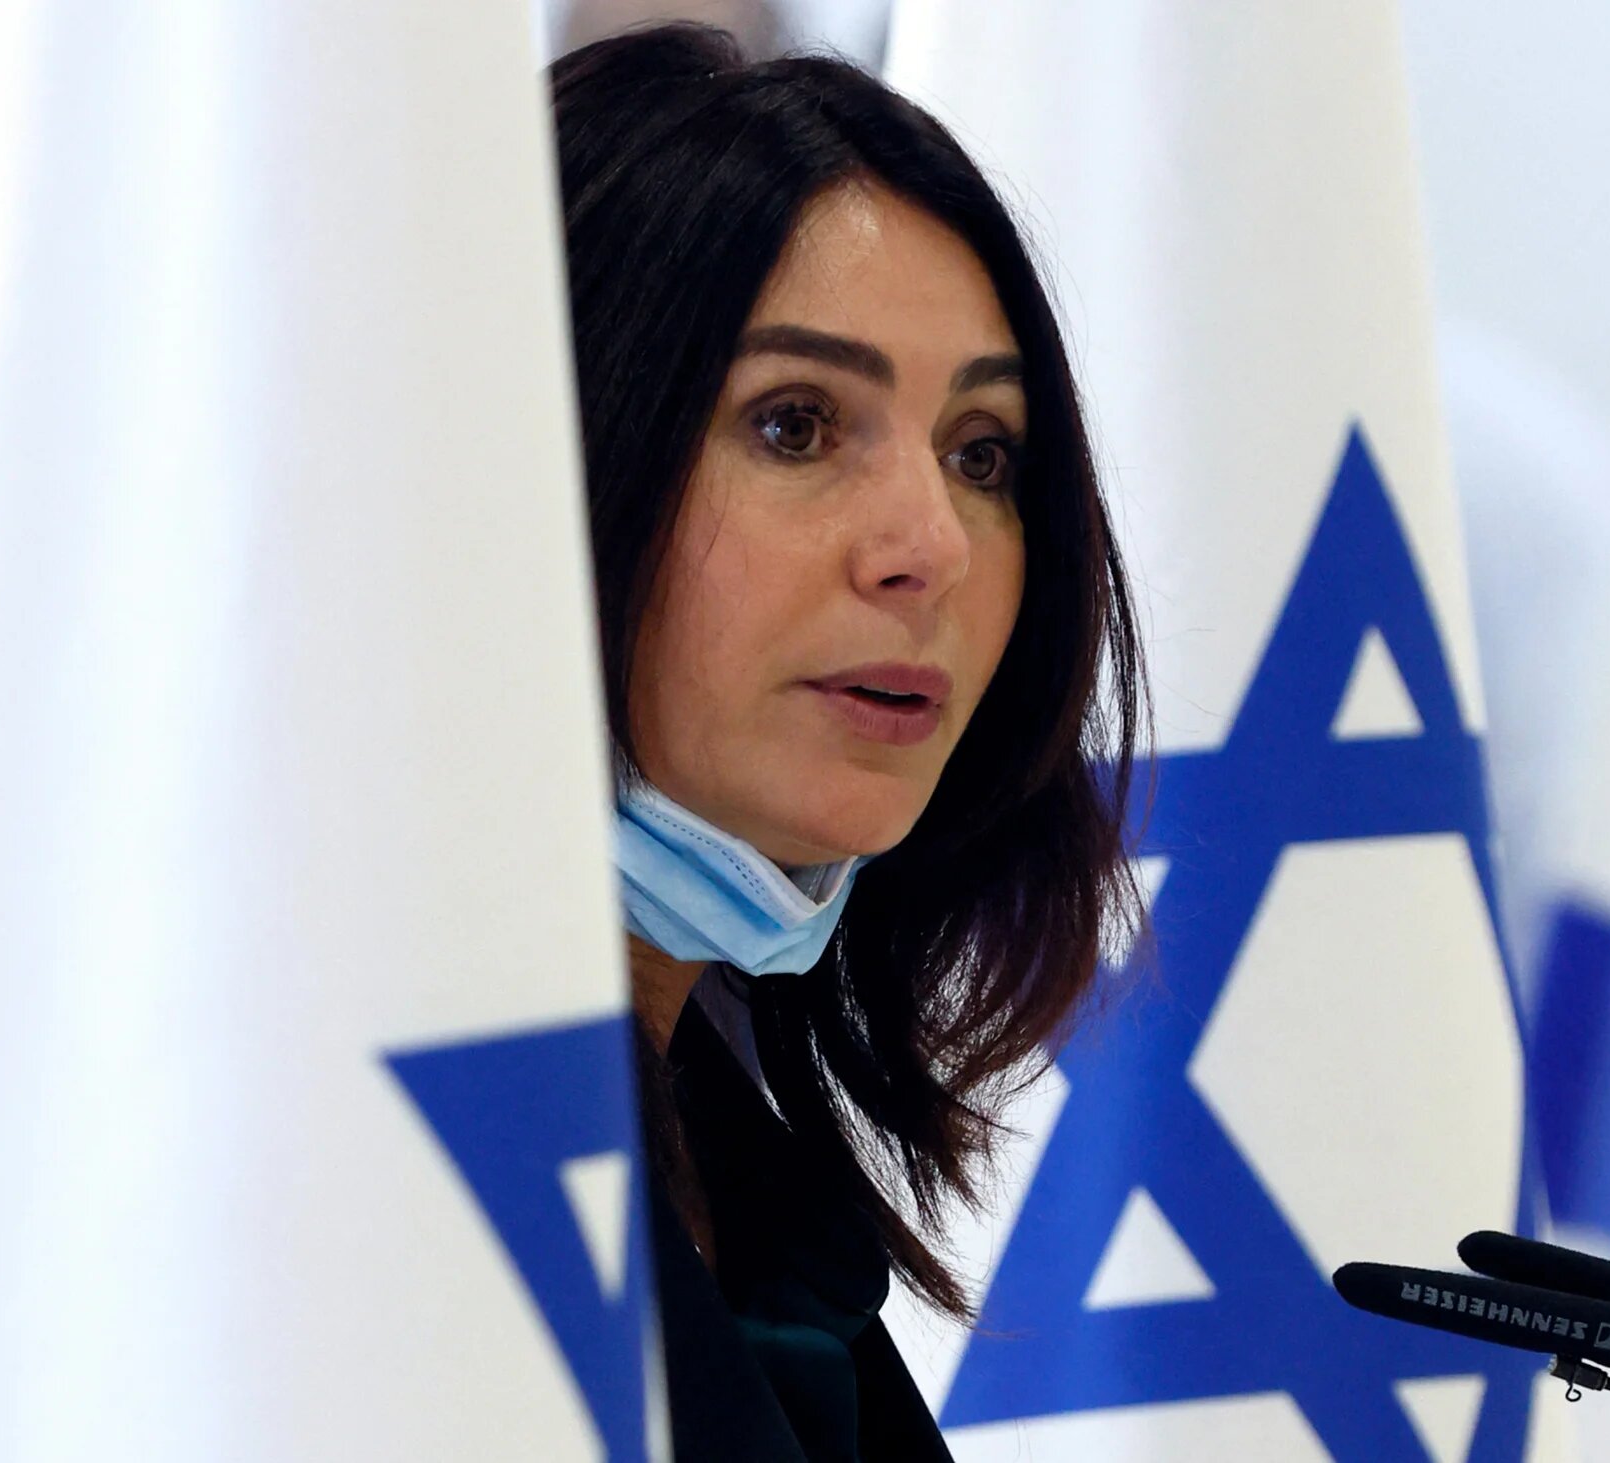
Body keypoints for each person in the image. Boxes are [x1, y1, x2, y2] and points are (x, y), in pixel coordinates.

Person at [550, 25, 1148, 1459]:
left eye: (983, 453)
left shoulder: (749, 1193)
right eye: (797, 424)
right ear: (556, 452)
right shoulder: (319, 1173)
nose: (928, 547)